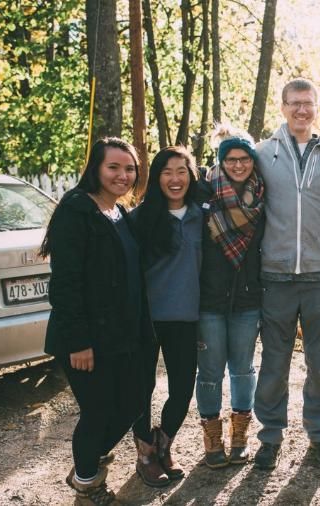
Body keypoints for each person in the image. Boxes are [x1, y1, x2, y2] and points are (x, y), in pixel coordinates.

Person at [41, 137, 149, 505]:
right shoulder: (77, 211)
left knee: (135, 397)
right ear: (96, 169)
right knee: (98, 410)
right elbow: (66, 283)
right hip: (86, 339)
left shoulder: (118, 212)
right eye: (113, 167)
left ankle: (89, 455)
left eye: (129, 168)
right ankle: (87, 480)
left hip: (121, 334)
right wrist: (78, 342)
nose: (122, 175)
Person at [253, 78, 320, 469]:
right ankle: (270, 436)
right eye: (294, 103)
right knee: (274, 361)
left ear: (316, 107)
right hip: (276, 275)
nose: (301, 110)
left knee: (319, 363)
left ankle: (319, 434)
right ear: (283, 106)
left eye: (308, 103)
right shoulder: (262, 154)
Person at [194, 124, 265, 469]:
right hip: (209, 299)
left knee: (242, 370)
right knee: (209, 372)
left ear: (253, 161)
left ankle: (240, 434)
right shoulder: (203, 194)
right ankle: (211, 436)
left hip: (248, 299)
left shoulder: (261, 197)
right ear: (221, 162)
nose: (238, 165)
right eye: (231, 159)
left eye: (244, 159)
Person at [131, 146, 202, 485]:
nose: (175, 179)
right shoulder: (139, 218)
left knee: (183, 387)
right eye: (167, 172)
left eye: (181, 171)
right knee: (141, 387)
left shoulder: (203, 215)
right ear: (156, 177)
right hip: (146, 318)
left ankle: (164, 443)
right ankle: (145, 453)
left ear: (191, 175)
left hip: (186, 316)